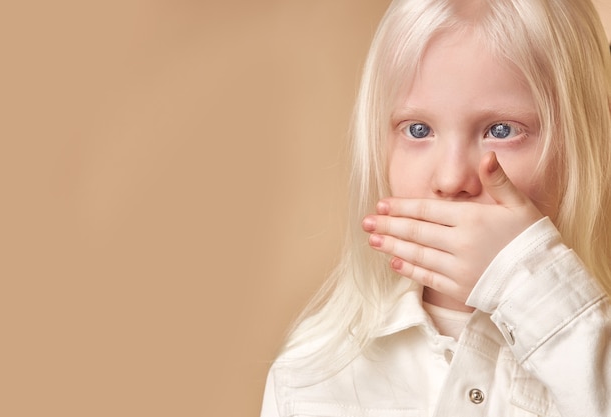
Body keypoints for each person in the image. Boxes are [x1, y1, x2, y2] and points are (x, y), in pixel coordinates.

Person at [261, 0, 611, 415]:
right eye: (418, 129)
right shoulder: (313, 376)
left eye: (500, 130)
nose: (450, 181)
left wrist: (527, 280)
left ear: (584, 143)